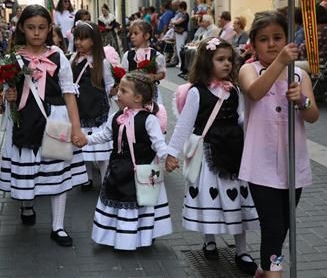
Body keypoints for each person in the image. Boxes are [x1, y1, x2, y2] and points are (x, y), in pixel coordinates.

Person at [165, 37, 259, 276]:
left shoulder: (235, 89)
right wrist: (171, 154)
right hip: (208, 153)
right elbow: (184, 125)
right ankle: (209, 240)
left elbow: (242, 120)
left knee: (236, 199)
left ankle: (241, 250)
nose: (227, 64)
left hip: (234, 150)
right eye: (220, 59)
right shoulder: (197, 92)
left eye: (229, 59)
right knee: (211, 199)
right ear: (207, 62)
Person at [0, 5, 88, 247]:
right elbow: (6, 92)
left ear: (49, 29)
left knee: (57, 168)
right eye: (30, 28)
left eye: (41, 28)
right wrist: (8, 95)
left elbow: (69, 93)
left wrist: (77, 129)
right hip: (24, 120)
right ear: (21, 28)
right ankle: (27, 205)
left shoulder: (58, 56)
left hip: (55, 118)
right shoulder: (13, 58)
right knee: (27, 166)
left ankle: (57, 226)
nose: (36, 33)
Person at [238, 11, 319, 277]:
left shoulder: (299, 76)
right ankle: (274, 272)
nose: (271, 44)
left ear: (287, 39)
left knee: (284, 226)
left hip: (292, 164)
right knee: (272, 226)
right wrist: (280, 63)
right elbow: (255, 92)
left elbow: (313, 116)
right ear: (253, 43)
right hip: (260, 165)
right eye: (264, 39)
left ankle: (264, 269)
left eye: (277, 37)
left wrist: (302, 101)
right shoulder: (249, 70)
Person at [82, 71, 172, 250]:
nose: (118, 93)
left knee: (141, 203)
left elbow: (158, 143)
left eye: (123, 91)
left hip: (142, 170)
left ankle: (141, 236)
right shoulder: (116, 117)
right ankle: (116, 235)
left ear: (138, 97)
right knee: (118, 200)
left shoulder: (149, 120)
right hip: (117, 168)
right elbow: (104, 135)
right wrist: (86, 140)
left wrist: (167, 157)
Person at [71, 21, 114, 191]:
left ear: (94, 41)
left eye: (84, 39)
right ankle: (86, 178)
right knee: (83, 150)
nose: (79, 43)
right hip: (80, 110)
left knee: (102, 150)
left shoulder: (102, 63)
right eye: (77, 39)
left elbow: (110, 86)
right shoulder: (73, 60)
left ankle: (105, 180)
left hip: (98, 111)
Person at [121, 20, 166, 104]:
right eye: (131, 33)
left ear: (146, 36)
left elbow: (162, 73)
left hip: (151, 93)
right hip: (132, 93)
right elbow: (124, 73)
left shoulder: (156, 55)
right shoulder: (128, 55)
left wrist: (154, 77)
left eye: (136, 33)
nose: (132, 36)